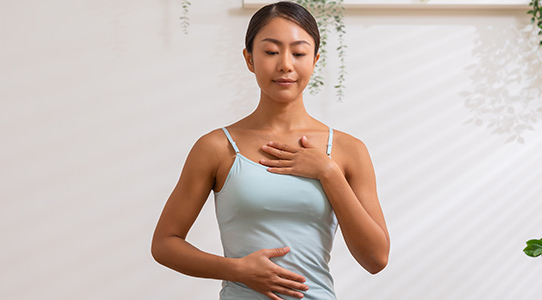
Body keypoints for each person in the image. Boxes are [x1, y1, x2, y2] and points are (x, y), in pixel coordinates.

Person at [151, 2, 389, 299]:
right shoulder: (216, 147)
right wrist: (236, 270)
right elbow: (164, 243)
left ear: (315, 60)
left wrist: (328, 172)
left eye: (299, 53)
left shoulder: (347, 150)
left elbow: (376, 259)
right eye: (271, 52)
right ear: (249, 59)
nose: (285, 65)